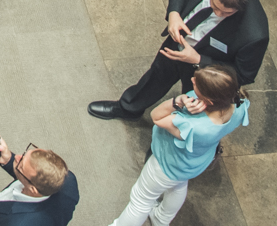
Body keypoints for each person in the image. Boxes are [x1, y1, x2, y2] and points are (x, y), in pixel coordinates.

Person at [89, 0, 267, 121]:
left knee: (194, 106)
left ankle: (172, 141)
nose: (218, 14)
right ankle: (128, 108)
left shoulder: (255, 34)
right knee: (157, 74)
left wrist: (199, 60)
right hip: (178, 40)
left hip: (207, 71)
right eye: (214, 6)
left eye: (226, 12)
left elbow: (243, 75)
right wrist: (174, 14)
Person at [103, 65, 247, 226]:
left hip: (167, 165)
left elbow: (156, 117)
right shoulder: (238, 105)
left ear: (208, 101)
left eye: (196, 83)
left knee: (140, 201)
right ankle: (161, 219)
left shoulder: (191, 125)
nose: (192, 79)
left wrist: (177, 101)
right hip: (192, 164)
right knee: (177, 186)